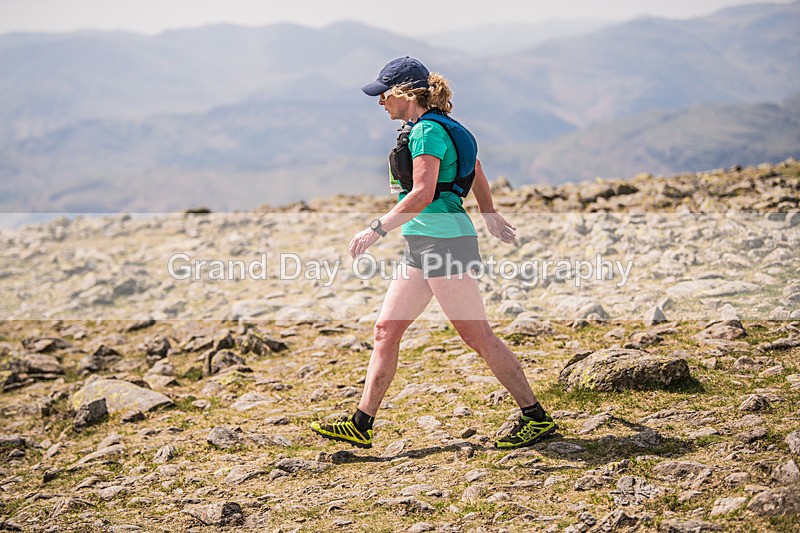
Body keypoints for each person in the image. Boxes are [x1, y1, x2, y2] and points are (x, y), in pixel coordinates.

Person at [310, 56, 557, 450]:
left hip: (444, 244)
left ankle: (536, 417)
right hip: (422, 246)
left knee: (478, 336)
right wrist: (488, 213)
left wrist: (376, 229)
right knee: (385, 330)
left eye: (384, 94)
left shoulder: (426, 131)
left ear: (405, 93)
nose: (380, 103)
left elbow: (423, 193)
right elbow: (475, 166)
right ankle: (361, 423)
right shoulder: (441, 126)